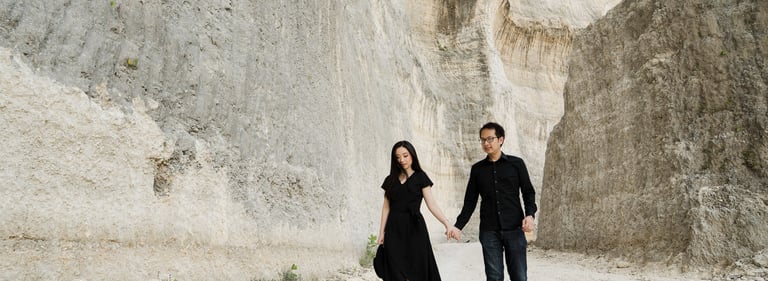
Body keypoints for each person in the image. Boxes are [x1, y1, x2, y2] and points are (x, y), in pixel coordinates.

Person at [447, 122, 537, 281]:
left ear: (501, 139)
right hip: (489, 231)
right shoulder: (477, 170)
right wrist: (458, 226)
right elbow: (470, 201)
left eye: (490, 139)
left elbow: (528, 192)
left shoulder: (516, 164)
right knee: (494, 277)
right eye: (482, 140)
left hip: (515, 229)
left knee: (519, 276)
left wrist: (530, 215)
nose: (486, 143)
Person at [377, 140, 460, 281]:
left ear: (412, 155)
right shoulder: (390, 180)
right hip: (394, 229)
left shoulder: (421, 177)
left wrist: (447, 223)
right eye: (397, 157)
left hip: (415, 229)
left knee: (417, 269)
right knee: (395, 269)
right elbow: (386, 207)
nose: (401, 160)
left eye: (405, 155)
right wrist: (381, 233)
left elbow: (432, 204)